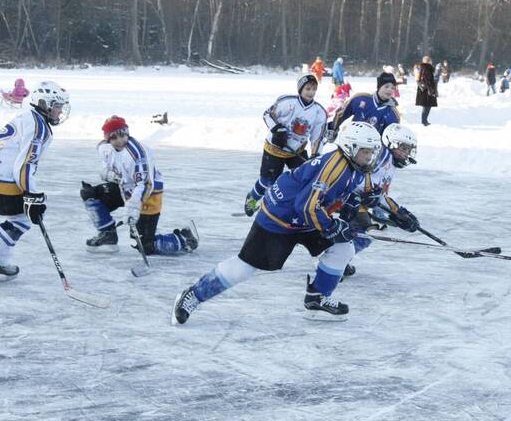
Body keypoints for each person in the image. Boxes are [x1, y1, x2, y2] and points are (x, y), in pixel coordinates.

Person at [172, 122, 384, 325]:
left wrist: (352, 205)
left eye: (371, 152)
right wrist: (331, 227)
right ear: (350, 147)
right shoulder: (334, 168)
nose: (370, 156)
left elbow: (330, 200)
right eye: (366, 151)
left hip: (306, 218)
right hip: (280, 218)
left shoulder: (354, 168)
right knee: (244, 268)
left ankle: (317, 298)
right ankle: (194, 295)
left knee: (342, 248)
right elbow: (306, 205)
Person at [0, 81, 68, 283]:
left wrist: (31, 195)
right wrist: (32, 195)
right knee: (23, 219)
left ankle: (0, 262)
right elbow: (24, 165)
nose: (59, 111)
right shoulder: (39, 127)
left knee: (19, 217)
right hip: (2, 177)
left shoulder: (29, 117)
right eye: (57, 106)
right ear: (44, 103)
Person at [81, 115, 198, 254]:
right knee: (90, 194)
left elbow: (145, 184)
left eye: (122, 135)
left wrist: (133, 207)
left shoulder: (137, 154)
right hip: (124, 189)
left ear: (127, 133)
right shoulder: (105, 149)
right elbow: (106, 166)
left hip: (148, 195)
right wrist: (110, 174)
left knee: (146, 246)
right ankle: (108, 235)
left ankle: (185, 239)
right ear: (108, 139)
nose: (119, 141)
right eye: (114, 137)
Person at [243, 74, 328, 216]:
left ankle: (289, 207)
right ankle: (252, 198)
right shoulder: (287, 102)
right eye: (307, 89)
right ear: (300, 89)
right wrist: (277, 130)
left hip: (296, 151)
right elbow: (267, 114)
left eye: (314, 89)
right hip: (275, 149)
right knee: (268, 182)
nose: (311, 92)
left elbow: (317, 136)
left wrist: (315, 155)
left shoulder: (319, 112)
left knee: (303, 181)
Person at [346, 123, 419, 277]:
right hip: (348, 197)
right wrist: (368, 193)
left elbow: (380, 196)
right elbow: (358, 173)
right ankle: (331, 260)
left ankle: (339, 260)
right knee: (366, 230)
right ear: (390, 143)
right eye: (403, 148)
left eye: (408, 149)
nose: (406, 153)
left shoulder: (390, 165)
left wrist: (400, 213)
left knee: (367, 234)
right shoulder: (381, 155)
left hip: (360, 201)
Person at [325, 71, 402, 141]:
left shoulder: (393, 113)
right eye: (387, 86)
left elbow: (392, 138)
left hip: (372, 150)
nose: (390, 90)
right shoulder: (361, 99)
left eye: (393, 88)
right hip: (351, 141)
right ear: (379, 87)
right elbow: (341, 114)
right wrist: (333, 129)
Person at [416, 55, 438, 126]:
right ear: (428, 61)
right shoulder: (426, 68)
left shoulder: (424, 68)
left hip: (425, 89)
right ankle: (424, 121)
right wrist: (431, 90)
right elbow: (427, 80)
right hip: (427, 90)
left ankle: (424, 120)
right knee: (427, 106)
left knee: (427, 106)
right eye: (430, 61)